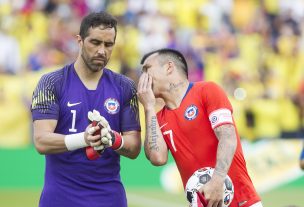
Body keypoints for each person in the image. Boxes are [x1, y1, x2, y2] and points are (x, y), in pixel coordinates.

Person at [31, 11, 141, 207]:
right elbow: (41, 141)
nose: (102, 51)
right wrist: (84, 139)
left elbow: (133, 148)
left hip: (109, 197)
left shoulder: (125, 87)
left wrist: (114, 139)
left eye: (109, 45)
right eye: (95, 42)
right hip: (60, 197)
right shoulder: (51, 83)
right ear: (79, 41)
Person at [137, 48, 262, 207]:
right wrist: (148, 107)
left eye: (147, 69)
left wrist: (217, 180)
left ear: (169, 67)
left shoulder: (207, 90)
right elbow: (157, 158)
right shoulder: (159, 118)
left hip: (241, 201)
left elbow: (228, 137)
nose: (143, 77)